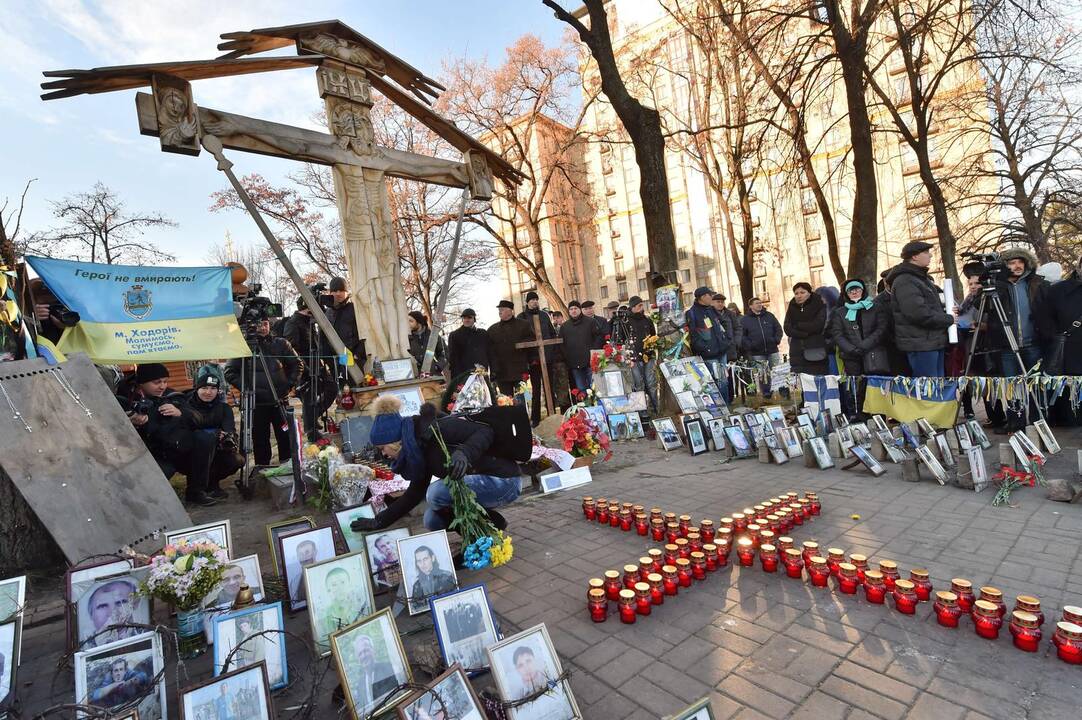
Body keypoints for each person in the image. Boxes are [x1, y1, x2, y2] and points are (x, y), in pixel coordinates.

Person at [348, 396, 521, 533]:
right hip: (474, 487)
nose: (383, 454)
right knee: (431, 519)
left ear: (396, 442)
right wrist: (379, 521)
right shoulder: (416, 449)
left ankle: (487, 528)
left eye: (383, 448)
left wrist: (464, 453)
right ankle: (482, 534)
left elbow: (486, 431)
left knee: (436, 493)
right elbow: (413, 494)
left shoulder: (438, 429)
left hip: (503, 480)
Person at [116, 363, 219, 507]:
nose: (162, 386)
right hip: (152, 453)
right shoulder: (125, 399)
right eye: (156, 382)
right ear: (141, 383)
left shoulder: (173, 395)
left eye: (165, 381)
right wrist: (133, 421)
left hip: (179, 448)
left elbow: (198, 418)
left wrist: (180, 413)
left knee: (204, 438)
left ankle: (196, 492)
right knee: (153, 495)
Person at [225, 318, 302, 467]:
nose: (263, 327)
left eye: (265, 323)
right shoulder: (243, 346)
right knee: (260, 439)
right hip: (256, 403)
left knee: (285, 435)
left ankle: (288, 467)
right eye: (259, 324)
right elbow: (229, 372)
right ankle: (263, 469)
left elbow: (297, 364)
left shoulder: (280, 343)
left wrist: (288, 385)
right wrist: (248, 389)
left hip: (280, 400)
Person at [885, 241, 955, 377]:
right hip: (921, 344)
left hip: (931, 342)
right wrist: (948, 319)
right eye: (926, 253)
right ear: (914, 257)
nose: (930, 256)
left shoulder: (921, 279)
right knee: (927, 391)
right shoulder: (905, 280)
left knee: (936, 388)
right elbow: (918, 313)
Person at [179, 365, 244, 501]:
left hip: (217, 452)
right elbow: (186, 431)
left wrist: (228, 437)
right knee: (203, 440)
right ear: (197, 389)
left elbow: (230, 430)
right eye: (204, 388)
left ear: (218, 391)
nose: (208, 392)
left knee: (237, 460)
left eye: (213, 388)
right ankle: (195, 490)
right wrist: (214, 433)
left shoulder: (224, 408)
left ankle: (212, 484)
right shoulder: (185, 407)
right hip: (190, 454)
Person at [827, 279, 889, 418]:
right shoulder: (840, 312)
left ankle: (878, 416)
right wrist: (851, 349)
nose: (854, 292)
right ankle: (859, 415)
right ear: (846, 294)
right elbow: (837, 333)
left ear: (863, 290)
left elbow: (881, 328)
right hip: (851, 356)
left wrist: (865, 344)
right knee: (855, 388)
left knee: (874, 385)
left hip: (873, 353)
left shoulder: (875, 307)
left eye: (857, 289)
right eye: (851, 290)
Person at [283, 297, 336, 440]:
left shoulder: (311, 323)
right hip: (304, 367)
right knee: (309, 397)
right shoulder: (293, 323)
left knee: (331, 388)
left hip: (316, 363)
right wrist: (303, 369)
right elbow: (291, 350)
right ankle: (310, 429)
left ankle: (312, 417)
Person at [517, 291, 559, 425]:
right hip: (533, 360)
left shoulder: (544, 315)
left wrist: (550, 352)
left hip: (547, 357)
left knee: (550, 388)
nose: (535, 302)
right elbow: (521, 339)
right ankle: (535, 418)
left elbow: (552, 334)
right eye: (532, 300)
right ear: (527, 302)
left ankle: (551, 415)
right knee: (536, 389)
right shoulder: (521, 317)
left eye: (536, 299)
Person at [685, 286, 731, 395]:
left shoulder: (711, 310)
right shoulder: (692, 313)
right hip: (708, 354)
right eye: (710, 295)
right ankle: (716, 408)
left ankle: (726, 406)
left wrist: (726, 341)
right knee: (712, 382)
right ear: (702, 297)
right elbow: (693, 335)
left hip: (722, 351)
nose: (712, 297)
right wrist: (705, 348)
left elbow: (721, 326)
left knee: (724, 380)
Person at [486, 300, 533, 397]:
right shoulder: (492, 330)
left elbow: (532, 343)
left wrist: (531, 362)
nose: (500, 312)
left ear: (510, 311)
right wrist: (493, 371)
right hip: (502, 373)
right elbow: (489, 352)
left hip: (520, 371)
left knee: (522, 400)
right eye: (499, 310)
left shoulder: (524, 325)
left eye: (502, 309)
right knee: (506, 403)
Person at [322, 276, 368, 372]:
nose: (338, 293)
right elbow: (324, 338)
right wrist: (327, 360)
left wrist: (357, 355)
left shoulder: (355, 309)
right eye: (335, 290)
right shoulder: (327, 313)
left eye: (341, 290)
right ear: (330, 293)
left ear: (347, 292)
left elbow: (366, 332)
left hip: (353, 359)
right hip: (334, 361)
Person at [784, 282, 829, 375]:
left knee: (817, 380)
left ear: (809, 293)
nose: (799, 296)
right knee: (800, 383)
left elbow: (818, 326)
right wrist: (804, 333)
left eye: (802, 292)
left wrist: (798, 325)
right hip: (796, 350)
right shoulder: (792, 307)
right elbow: (787, 328)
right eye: (796, 293)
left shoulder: (819, 304)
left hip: (815, 349)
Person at [559, 300, 602, 395]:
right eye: (571, 309)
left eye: (575, 308)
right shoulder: (565, 327)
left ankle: (596, 409)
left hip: (590, 361)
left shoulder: (591, 322)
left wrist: (594, 352)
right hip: (575, 363)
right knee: (581, 389)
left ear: (580, 310)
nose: (573, 311)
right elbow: (561, 344)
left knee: (595, 387)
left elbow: (598, 338)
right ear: (568, 311)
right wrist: (567, 357)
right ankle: (585, 409)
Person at [348, 634, 397, 711]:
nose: (363, 656)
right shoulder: (360, 684)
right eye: (360, 653)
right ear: (358, 658)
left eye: (366, 650)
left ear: (373, 651)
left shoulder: (388, 668)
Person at [85, 579, 139, 647]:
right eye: (103, 606)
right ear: (91, 614)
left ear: (134, 605)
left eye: (119, 603)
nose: (113, 612)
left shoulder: (146, 633)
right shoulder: (85, 647)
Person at [627, 296, 658, 413]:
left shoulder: (647, 320)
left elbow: (653, 336)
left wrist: (651, 349)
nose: (641, 307)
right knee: (638, 384)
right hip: (634, 359)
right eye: (639, 305)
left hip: (648, 357)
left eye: (642, 305)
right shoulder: (627, 321)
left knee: (651, 383)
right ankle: (641, 410)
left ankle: (654, 407)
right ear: (633, 307)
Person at [320, 567, 370, 639]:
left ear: (349, 585)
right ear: (328, 590)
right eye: (334, 585)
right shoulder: (326, 615)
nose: (339, 588)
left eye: (343, 582)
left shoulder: (359, 607)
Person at [446, 308, 491, 380]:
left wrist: (493, 370)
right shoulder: (455, 335)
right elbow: (453, 358)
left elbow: (490, 352)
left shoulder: (483, 333)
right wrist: (456, 378)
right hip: (463, 375)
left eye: (469, 317)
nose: (467, 320)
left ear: (474, 319)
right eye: (464, 318)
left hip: (482, 374)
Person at [407, 310, 445, 375]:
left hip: (434, 376)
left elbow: (444, 353)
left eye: (411, 321)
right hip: (416, 377)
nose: (408, 323)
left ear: (419, 322)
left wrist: (437, 366)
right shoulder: (408, 339)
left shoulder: (433, 336)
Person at [288, 540, 319, 604]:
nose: (304, 557)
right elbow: (293, 605)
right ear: (298, 557)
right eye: (301, 554)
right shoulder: (294, 582)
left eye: (307, 552)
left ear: (315, 552)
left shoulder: (325, 571)